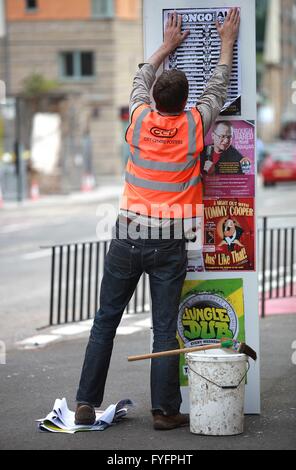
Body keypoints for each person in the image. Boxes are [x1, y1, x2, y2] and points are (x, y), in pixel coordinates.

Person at [75, 9, 240, 430]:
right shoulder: (194, 126)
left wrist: (166, 45)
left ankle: (85, 402)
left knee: (104, 321)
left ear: (154, 101)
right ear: (185, 103)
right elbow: (218, 86)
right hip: (168, 242)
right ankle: (165, 412)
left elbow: (140, 78)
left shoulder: (138, 118)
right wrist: (225, 41)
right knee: (164, 328)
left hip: (127, 235)